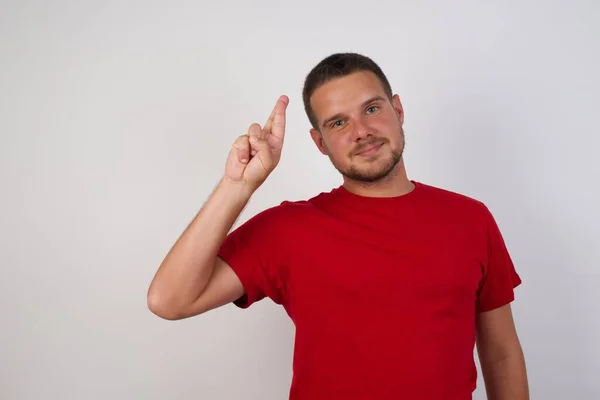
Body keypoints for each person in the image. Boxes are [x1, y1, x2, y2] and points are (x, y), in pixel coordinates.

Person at [147, 52, 529, 399]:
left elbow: (501, 355)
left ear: (398, 110)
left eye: (373, 109)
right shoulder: (289, 230)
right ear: (320, 142)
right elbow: (170, 301)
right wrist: (237, 186)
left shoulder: (470, 219)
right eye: (339, 122)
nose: (361, 131)